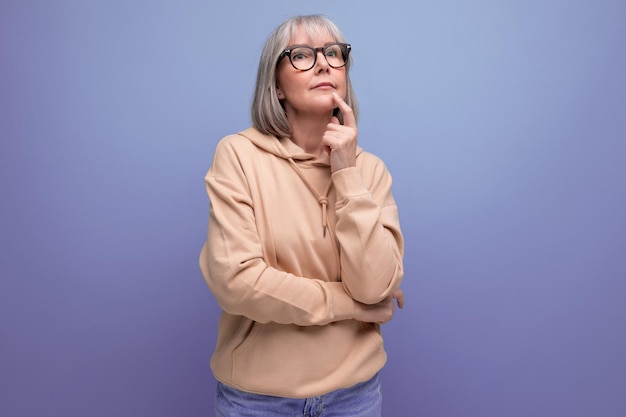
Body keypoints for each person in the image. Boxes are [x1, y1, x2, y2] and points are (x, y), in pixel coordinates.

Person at [199, 14, 404, 417]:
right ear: (275, 85)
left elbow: (376, 284)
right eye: (302, 56)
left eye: (333, 53)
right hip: (256, 401)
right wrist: (355, 307)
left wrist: (346, 171)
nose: (324, 63)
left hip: (355, 397)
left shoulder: (371, 170)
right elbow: (236, 281)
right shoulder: (238, 156)